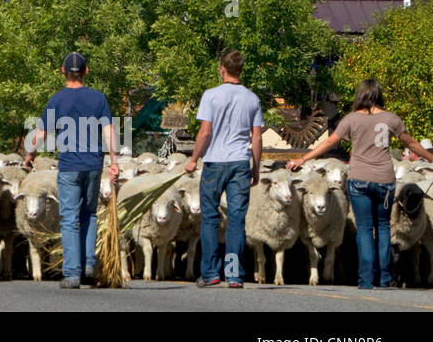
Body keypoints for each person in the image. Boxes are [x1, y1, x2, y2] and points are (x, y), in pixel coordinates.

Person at [288, 78, 433, 289]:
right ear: (378, 95)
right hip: (384, 180)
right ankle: (384, 278)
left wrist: (303, 159)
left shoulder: (351, 119)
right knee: (383, 227)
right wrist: (431, 159)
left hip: (359, 181)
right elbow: (410, 143)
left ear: (360, 95)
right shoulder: (391, 119)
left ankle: (365, 280)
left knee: (364, 228)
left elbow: (330, 141)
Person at [23, 52, 119, 289]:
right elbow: (109, 132)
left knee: (69, 219)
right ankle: (88, 265)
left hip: (69, 167)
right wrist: (114, 161)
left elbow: (42, 133)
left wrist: (29, 153)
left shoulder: (57, 100)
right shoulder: (98, 99)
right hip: (94, 165)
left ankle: (72, 274)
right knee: (90, 215)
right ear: (86, 72)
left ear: (62, 71)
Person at [185, 50, 263, 288]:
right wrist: (256, 167)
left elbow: (205, 132)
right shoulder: (252, 98)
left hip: (215, 162)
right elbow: (257, 138)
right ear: (241, 69)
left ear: (222, 68)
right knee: (237, 219)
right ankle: (234, 274)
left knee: (209, 217)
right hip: (240, 162)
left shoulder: (211, 96)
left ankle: (210, 273)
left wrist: (193, 158)